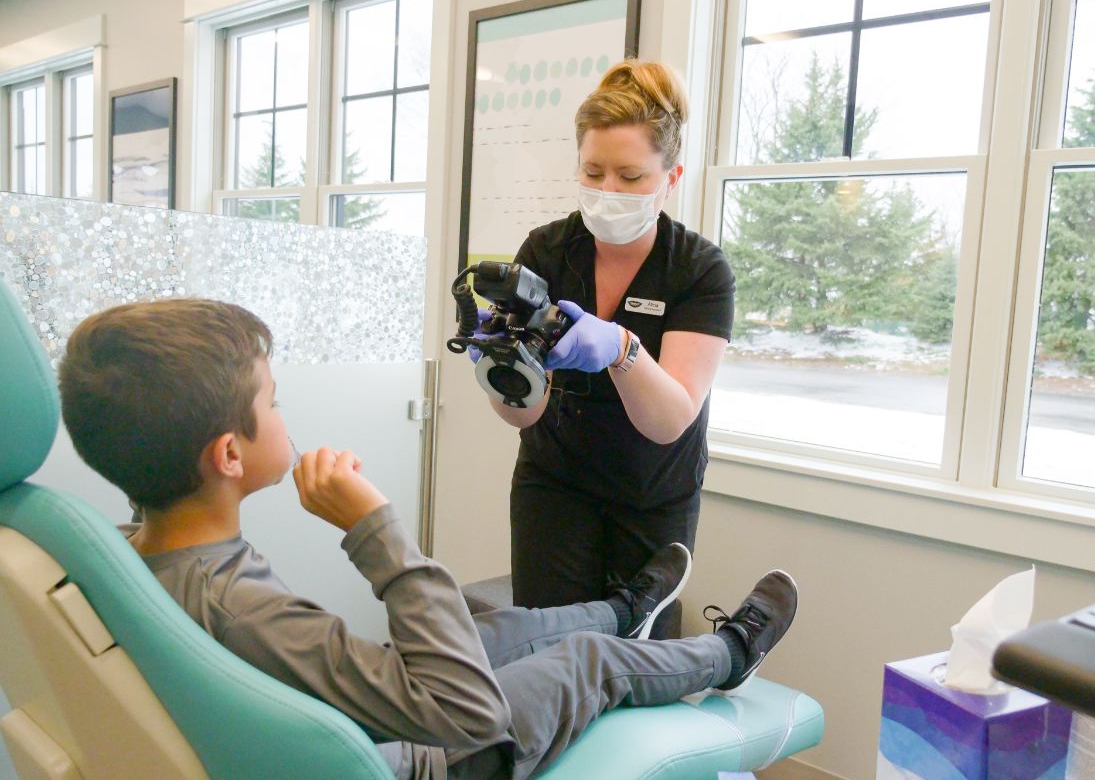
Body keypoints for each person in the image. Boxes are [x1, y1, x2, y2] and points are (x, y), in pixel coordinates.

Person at [57, 298, 795, 780]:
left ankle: (619, 608)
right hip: (431, 758)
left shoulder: (123, 553)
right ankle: (730, 656)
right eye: (272, 403)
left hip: (354, 718)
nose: (285, 413)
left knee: (496, 625)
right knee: (587, 662)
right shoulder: (240, 609)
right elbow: (469, 713)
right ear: (228, 455)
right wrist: (373, 528)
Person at [480, 59, 735, 639]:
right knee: (548, 651)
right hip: (555, 483)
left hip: (653, 495)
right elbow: (525, 413)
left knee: (636, 665)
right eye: (593, 173)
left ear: (671, 178)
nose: (607, 191)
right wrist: (505, 371)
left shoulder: (699, 271)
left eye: (629, 176)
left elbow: (670, 420)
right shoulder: (546, 252)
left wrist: (623, 349)